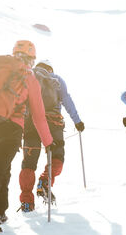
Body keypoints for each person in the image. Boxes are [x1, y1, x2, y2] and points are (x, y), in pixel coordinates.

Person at [0, 40, 53, 235]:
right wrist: (48, 143)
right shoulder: (28, 76)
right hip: (10, 130)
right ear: (31, 59)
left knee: (2, 170)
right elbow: (38, 116)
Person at [18, 60, 83, 211]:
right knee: (57, 156)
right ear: (50, 69)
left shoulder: (28, 78)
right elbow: (67, 100)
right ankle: (45, 181)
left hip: (30, 123)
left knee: (28, 163)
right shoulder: (56, 79)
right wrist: (77, 121)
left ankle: (26, 202)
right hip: (53, 123)